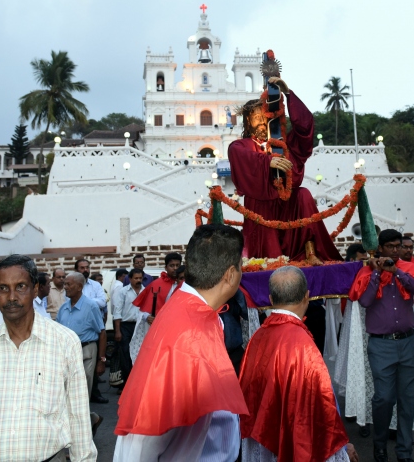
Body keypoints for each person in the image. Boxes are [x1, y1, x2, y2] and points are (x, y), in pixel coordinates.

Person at [0, 255, 97, 461]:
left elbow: (78, 418)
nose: (12, 296)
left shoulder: (64, 342)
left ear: (35, 290)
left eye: (21, 286)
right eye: (3, 288)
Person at [114, 224, 248, 461]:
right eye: (240, 266)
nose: (242, 272)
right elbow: (142, 436)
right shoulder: (186, 333)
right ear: (229, 274)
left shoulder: (198, 312)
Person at [239, 266, 357, 462]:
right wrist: (343, 446)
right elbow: (322, 403)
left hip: (264, 437)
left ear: (270, 299)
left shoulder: (258, 336)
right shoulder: (303, 345)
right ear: (307, 296)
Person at [228, 76, 342, 263]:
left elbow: (304, 127)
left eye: (263, 117)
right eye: (255, 118)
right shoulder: (241, 145)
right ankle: (272, 260)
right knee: (260, 212)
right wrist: (267, 162)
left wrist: (288, 94)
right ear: (247, 122)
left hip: (288, 203)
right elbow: (238, 155)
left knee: (303, 195)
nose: (260, 122)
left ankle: (310, 251)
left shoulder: (283, 144)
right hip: (261, 205)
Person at [348, 229, 414, 462]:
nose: (396, 250)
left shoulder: (407, 270)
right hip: (382, 346)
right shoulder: (368, 272)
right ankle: (379, 446)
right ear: (380, 248)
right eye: (391, 246)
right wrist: (378, 273)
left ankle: (405, 452)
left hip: (409, 342)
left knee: (408, 400)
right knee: (384, 398)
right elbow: (365, 301)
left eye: (399, 246)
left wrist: (396, 271)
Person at [57, 272, 107, 400]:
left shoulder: (91, 306)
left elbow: (102, 332)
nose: (65, 287)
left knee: (83, 390)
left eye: (68, 284)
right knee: (67, 389)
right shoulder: (63, 308)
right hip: (66, 352)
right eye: (65, 284)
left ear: (79, 287)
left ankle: (85, 418)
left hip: (86, 350)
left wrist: (102, 360)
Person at [74, 258, 109, 404]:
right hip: (77, 327)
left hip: (93, 326)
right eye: (81, 268)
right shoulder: (72, 284)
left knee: (92, 366)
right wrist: (90, 301)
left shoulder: (95, 285)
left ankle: (94, 393)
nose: (85, 270)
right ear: (77, 270)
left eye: (87, 267)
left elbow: (102, 301)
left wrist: (85, 302)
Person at [112, 268, 144, 388]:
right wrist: (118, 330)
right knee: (126, 354)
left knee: (139, 353)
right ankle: (127, 384)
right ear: (130, 279)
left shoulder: (145, 291)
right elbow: (117, 311)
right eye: (136, 278)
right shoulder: (123, 292)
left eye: (140, 278)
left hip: (140, 325)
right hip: (126, 326)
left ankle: (138, 383)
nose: (138, 280)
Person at [132, 252, 183, 327]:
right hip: (160, 325)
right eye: (172, 265)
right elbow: (144, 310)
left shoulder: (186, 284)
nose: (175, 268)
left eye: (177, 265)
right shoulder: (156, 284)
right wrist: (147, 317)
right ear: (166, 267)